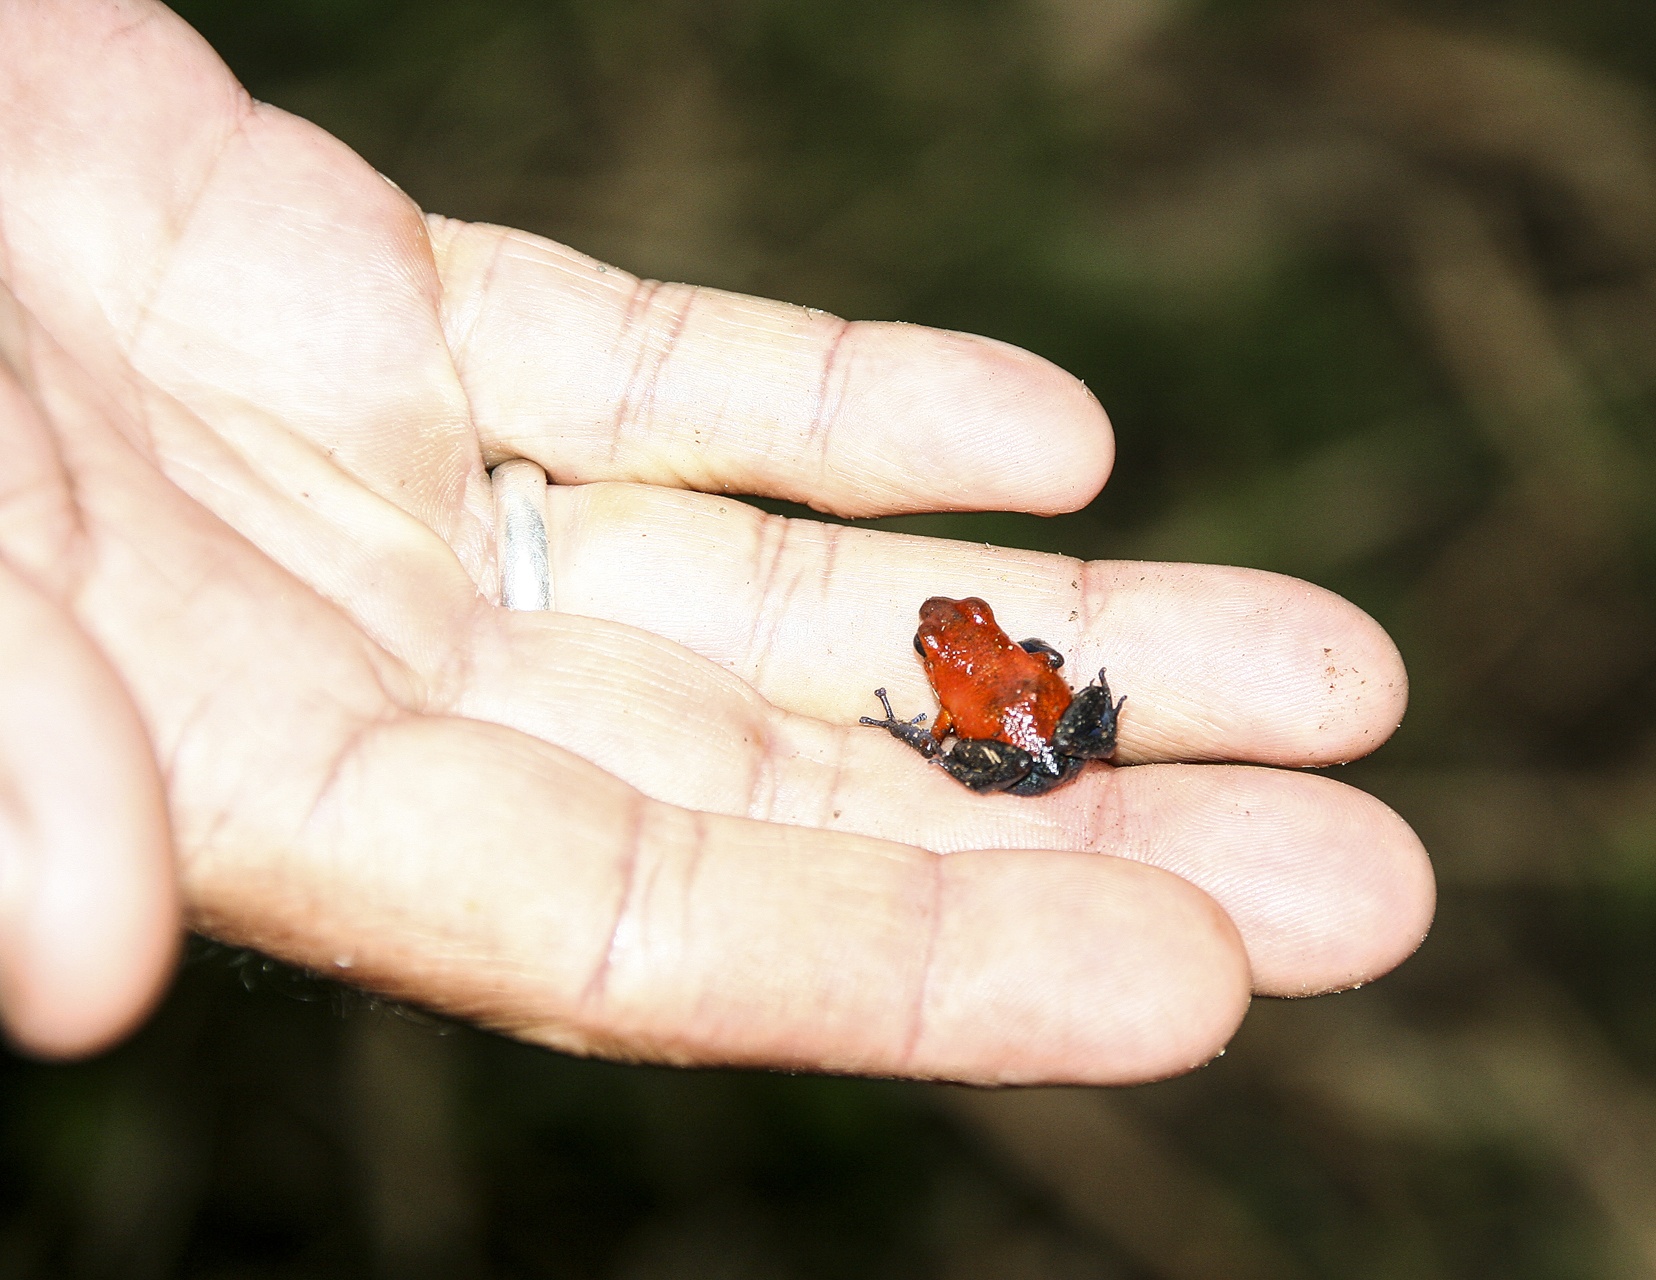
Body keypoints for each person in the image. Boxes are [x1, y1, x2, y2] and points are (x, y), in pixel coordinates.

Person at [0, 0, 1432, 1083]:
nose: (955, 643)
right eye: (950, 644)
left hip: (1037, 736)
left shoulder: (984, 675)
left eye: (958, 640)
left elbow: (1020, 680)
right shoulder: (986, 671)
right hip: (1043, 732)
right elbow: (1020, 677)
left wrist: (989, 714)